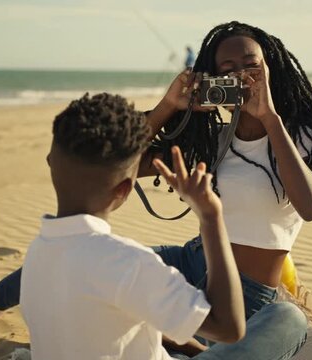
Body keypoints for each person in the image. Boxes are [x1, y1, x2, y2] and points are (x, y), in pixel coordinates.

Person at [0, 21, 312, 358]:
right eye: (227, 70)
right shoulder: (211, 136)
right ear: (212, 80)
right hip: (193, 259)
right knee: (84, 256)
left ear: (270, 67)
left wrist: (270, 119)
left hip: (248, 290)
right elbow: (119, 162)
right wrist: (169, 105)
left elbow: (308, 207)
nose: (242, 76)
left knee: (289, 318)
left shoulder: (305, 133)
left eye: (252, 64)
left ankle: (185, 343)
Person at [19, 92, 246, 359]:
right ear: (124, 189)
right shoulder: (128, 263)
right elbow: (229, 328)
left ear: (50, 162)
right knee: (286, 318)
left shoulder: (38, 252)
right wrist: (211, 218)